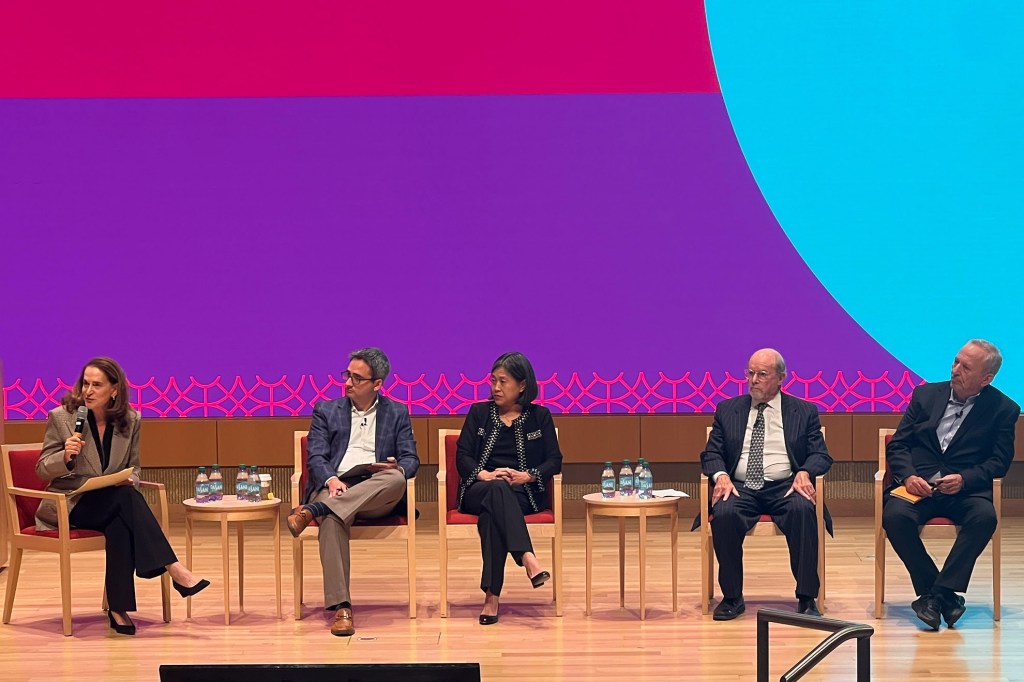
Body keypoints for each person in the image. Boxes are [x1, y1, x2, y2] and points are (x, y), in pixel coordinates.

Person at [35, 357, 209, 636]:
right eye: (85, 384)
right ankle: (174, 568)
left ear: (114, 390)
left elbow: (135, 467)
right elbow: (42, 469)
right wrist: (64, 456)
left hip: (111, 501)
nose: (88, 391)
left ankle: (118, 608)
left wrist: (131, 479)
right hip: (70, 502)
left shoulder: (131, 420)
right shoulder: (61, 417)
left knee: (120, 520)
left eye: (97, 385)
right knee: (126, 500)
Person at [883, 339, 1019, 630]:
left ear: (986, 378)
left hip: (964, 491)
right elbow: (899, 445)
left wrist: (965, 479)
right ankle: (942, 595)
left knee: (985, 518)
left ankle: (936, 595)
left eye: (966, 367)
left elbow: (999, 462)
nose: (955, 370)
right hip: (918, 486)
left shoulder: (1003, 409)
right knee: (894, 516)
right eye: (956, 361)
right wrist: (908, 476)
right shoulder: (925, 395)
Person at [286, 347, 419, 637]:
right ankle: (341, 608)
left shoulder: (397, 412)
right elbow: (316, 457)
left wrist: (396, 466)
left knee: (396, 478)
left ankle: (314, 510)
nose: (348, 383)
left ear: (377, 384)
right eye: (347, 375)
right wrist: (331, 479)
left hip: (375, 491)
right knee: (333, 517)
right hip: (336, 486)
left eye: (357, 378)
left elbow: (411, 459)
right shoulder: (326, 410)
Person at [697, 348, 832, 620]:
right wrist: (720, 475)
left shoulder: (804, 411)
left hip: (785, 486)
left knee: (803, 510)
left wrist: (805, 472)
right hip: (740, 487)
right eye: (750, 373)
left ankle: (807, 597)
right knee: (724, 512)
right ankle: (732, 597)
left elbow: (820, 454)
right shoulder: (728, 409)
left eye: (762, 374)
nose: (753, 380)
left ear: (781, 378)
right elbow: (711, 453)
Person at [456, 351, 562, 625]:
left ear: (522, 385)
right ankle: (527, 557)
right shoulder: (479, 413)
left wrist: (527, 476)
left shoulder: (540, 416)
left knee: (493, 513)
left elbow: (555, 460)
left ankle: (491, 597)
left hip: (522, 493)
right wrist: (485, 475)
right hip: (479, 489)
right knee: (496, 489)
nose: (496, 387)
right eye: (493, 381)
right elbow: (463, 456)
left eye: (503, 382)